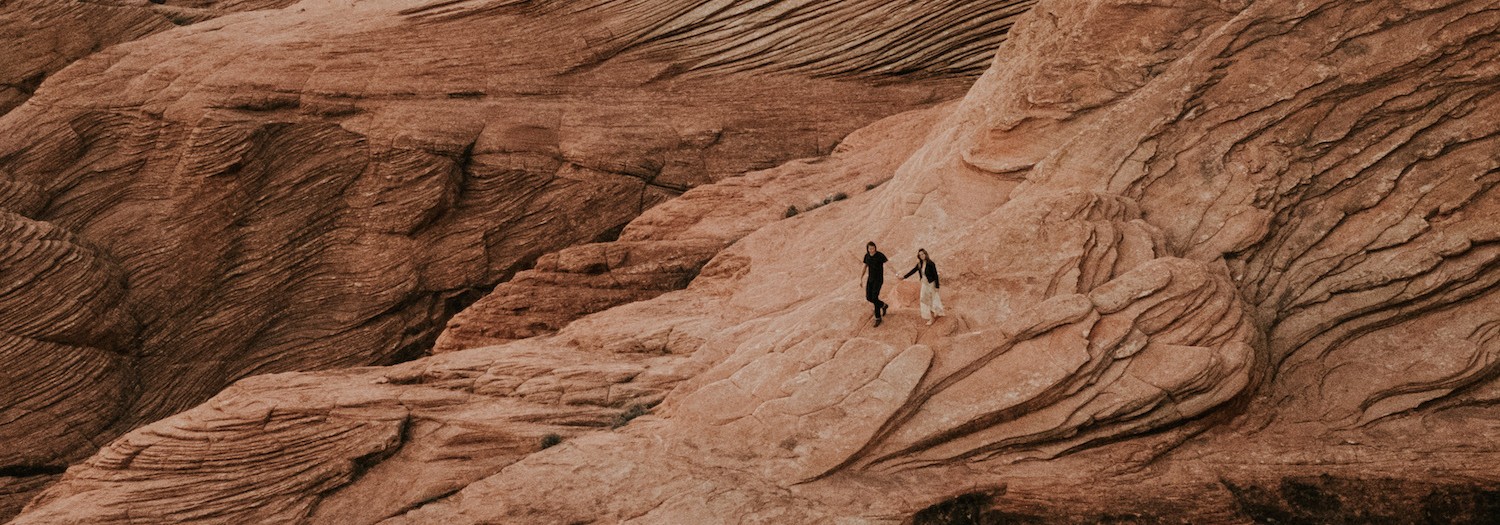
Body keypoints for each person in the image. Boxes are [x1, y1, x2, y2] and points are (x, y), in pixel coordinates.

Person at [902, 248, 944, 325]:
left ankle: (932, 318)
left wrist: (937, 287)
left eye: (923, 254)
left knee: (931, 299)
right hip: (924, 284)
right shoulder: (919, 264)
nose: (922, 256)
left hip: (931, 284)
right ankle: (933, 315)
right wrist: (904, 277)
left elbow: (935, 275)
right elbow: (913, 271)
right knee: (924, 299)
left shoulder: (931, 263)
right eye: (920, 255)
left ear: (925, 254)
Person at [860, 242, 890, 326]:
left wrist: (896, 274)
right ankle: (883, 305)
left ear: (875, 248)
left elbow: (888, 264)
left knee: (874, 297)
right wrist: (861, 278)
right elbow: (864, 267)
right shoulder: (867, 256)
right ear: (867, 249)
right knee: (869, 298)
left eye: (873, 248)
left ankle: (878, 318)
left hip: (878, 280)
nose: (872, 250)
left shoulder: (880, 255)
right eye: (870, 248)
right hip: (870, 279)